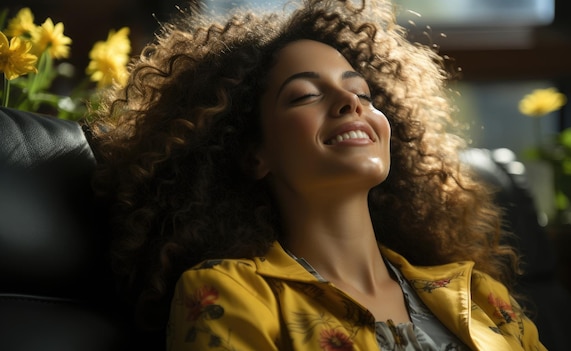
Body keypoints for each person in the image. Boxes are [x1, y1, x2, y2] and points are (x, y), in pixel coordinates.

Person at [88, 0, 547, 349]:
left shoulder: (480, 295)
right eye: (305, 95)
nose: (351, 104)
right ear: (253, 153)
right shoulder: (231, 292)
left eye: (363, 94)